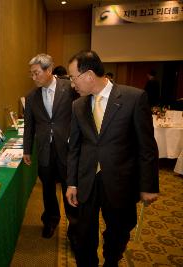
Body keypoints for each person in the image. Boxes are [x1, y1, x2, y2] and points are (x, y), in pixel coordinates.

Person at [66, 50, 159, 267]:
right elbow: (75, 147)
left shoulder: (133, 98)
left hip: (120, 182)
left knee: (118, 231)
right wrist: (71, 182)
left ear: (88, 75)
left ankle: (111, 261)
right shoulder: (77, 105)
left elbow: (147, 147)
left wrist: (148, 185)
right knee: (83, 233)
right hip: (87, 181)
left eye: (73, 77)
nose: (71, 84)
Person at [23, 54, 78, 242]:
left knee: (69, 188)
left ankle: (74, 227)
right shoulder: (31, 97)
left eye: (36, 73)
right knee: (47, 189)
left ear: (49, 70)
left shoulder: (70, 88)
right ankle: (50, 220)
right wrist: (27, 150)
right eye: (31, 74)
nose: (33, 77)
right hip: (45, 150)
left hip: (67, 149)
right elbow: (29, 125)